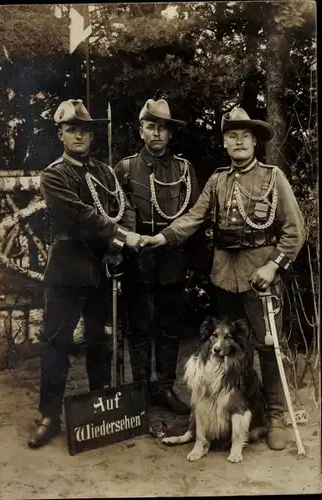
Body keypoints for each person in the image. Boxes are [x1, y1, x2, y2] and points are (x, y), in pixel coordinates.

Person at [140, 107, 306, 449]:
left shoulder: (273, 177)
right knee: (228, 348)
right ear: (226, 143)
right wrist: (162, 237)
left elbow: (295, 230)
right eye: (232, 136)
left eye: (245, 135)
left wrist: (273, 265)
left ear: (255, 142)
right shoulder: (217, 180)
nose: (239, 141)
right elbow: (194, 217)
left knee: (268, 345)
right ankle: (231, 412)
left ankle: (274, 415)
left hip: (260, 276)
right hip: (224, 276)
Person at [28, 99, 141, 449]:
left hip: (103, 268)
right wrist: (121, 237)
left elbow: (127, 211)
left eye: (85, 130)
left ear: (92, 136)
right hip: (67, 268)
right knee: (56, 341)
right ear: (60, 133)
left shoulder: (106, 174)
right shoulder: (54, 175)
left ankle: (100, 409)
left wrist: (114, 250)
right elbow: (79, 216)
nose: (79, 135)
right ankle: (49, 415)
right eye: (72, 129)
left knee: (101, 339)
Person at [114, 98, 201, 415]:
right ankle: (139, 392)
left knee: (168, 327)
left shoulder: (185, 170)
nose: (157, 134)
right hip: (138, 259)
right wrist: (124, 252)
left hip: (172, 257)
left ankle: (164, 388)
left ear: (170, 134)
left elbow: (195, 216)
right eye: (151, 126)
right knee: (139, 327)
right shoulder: (124, 169)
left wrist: (192, 263)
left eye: (163, 128)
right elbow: (115, 215)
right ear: (141, 130)